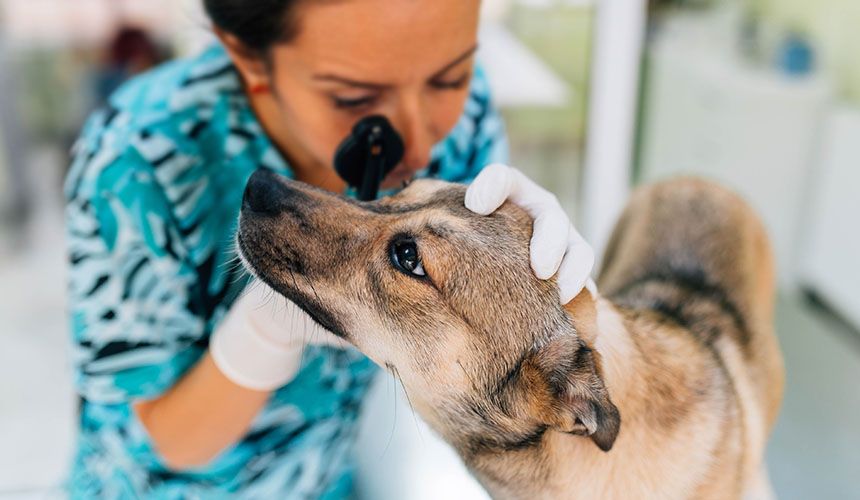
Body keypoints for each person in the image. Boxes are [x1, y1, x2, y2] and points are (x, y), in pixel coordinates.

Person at [64, 0, 594, 497]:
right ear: (248, 58)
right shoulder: (135, 163)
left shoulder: (465, 113)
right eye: (354, 98)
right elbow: (166, 441)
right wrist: (261, 334)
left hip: (330, 475)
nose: (419, 141)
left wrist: (558, 305)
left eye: (450, 76)